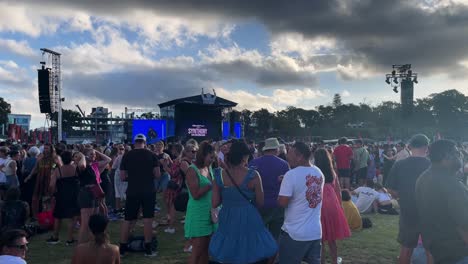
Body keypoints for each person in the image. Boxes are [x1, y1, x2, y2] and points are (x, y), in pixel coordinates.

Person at [210, 141, 278, 264]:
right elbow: (260, 202)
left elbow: (215, 203)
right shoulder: (253, 175)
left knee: (230, 250)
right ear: (244, 156)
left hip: (227, 216)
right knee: (249, 250)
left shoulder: (218, 175)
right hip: (249, 216)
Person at [415, 140, 468, 264]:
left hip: (431, 248)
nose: (460, 156)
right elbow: (464, 222)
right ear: (445, 156)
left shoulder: (423, 177)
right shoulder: (450, 183)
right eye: (457, 153)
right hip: (454, 252)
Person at [386, 134, 432, 264]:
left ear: (410, 146)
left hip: (408, 209)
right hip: (429, 211)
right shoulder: (432, 164)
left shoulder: (400, 164)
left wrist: (401, 197)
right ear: (426, 147)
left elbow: (390, 189)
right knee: (430, 250)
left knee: (406, 249)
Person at [278, 142, 324, 264]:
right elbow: (305, 187)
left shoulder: (291, 175)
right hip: (315, 232)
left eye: (290, 154)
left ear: (300, 156)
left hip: (294, 233)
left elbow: (282, 202)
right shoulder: (318, 172)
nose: (287, 157)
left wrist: (284, 185)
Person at [119, 134, 160, 257]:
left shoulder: (127, 155)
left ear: (134, 142)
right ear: (145, 143)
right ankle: (148, 249)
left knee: (128, 219)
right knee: (148, 219)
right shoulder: (152, 155)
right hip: (148, 190)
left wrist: (132, 178)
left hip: (132, 190)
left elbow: (122, 177)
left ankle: (122, 249)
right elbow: (157, 175)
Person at [248, 138, 289, 244]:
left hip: (258, 205)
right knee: (275, 237)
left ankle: (260, 258)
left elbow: (248, 185)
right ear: (276, 149)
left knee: (258, 237)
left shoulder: (253, 163)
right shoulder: (284, 164)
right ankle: (273, 259)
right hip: (277, 205)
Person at [313, 149, 350, 264]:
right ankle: (334, 261)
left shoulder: (314, 172)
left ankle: (322, 261)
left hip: (319, 205)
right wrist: (340, 207)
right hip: (332, 205)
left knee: (321, 239)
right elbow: (338, 191)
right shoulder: (332, 173)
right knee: (332, 239)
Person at [184, 141, 216, 264]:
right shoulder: (192, 170)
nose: (213, 160)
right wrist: (210, 186)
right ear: (203, 155)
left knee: (206, 249)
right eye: (211, 157)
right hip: (198, 214)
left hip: (209, 212)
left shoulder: (209, 168)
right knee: (197, 250)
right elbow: (195, 194)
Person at [47, 151, 80, 245]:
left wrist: (52, 194)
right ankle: (70, 239)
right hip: (74, 195)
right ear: (71, 159)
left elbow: (52, 185)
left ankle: (55, 237)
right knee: (72, 218)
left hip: (61, 195)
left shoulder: (58, 170)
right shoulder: (75, 169)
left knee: (58, 217)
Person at [24, 144, 59, 219]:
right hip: (40, 178)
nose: (46, 150)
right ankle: (36, 216)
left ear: (51, 149)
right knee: (36, 198)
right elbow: (35, 168)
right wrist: (29, 176)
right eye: (45, 148)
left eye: (47, 148)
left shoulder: (54, 158)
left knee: (48, 198)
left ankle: (49, 216)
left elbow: (55, 167)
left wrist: (52, 171)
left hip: (49, 178)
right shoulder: (40, 157)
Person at [74, 152, 99, 243]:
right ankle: (81, 244)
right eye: (75, 157)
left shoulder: (89, 166)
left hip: (92, 192)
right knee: (85, 222)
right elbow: (82, 166)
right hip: (86, 192)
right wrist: (82, 156)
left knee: (92, 220)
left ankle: (91, 240)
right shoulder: (80, 167)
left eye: (79, 156)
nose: (78, 158)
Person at [111, 145, 127, 213]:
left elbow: (113, 167)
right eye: (120, 149)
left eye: (122, 149)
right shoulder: (125, 157)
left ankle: (118, 208)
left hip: (119, 174)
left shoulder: (118, 157)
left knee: (119, 192)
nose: (121, 150)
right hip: (124, 175)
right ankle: (121, 207)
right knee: (122, 191)